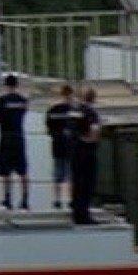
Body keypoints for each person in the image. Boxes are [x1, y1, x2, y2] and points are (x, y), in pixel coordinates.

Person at [0, 73, 30, 211]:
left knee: (5, 170)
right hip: (19, 135)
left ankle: (7, 198)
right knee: (23, 169)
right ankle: (25, 199)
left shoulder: (1, 101)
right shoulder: (22, 100)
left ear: (5, 85)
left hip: (6, 136)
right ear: (17, 85)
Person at [69, 85, 103, 226]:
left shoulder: (74, 111)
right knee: (87, 184)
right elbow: (94, 132)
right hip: (87, 151)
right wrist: (89, 141)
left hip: (75, 151)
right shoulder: (91, 112)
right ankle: (84, 215)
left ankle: (76, 212)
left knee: (77, 182)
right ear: (93, 98)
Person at [45, 81, 80, 211]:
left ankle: (57, 200)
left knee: (58, 174)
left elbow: (48, 130)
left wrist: (56, 134)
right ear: (71, 94)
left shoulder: (53, 110)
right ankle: (71, 200)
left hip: (57, 146)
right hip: (71, 147)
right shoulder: (75, 111)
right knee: (70, 174)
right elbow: (79, 129)